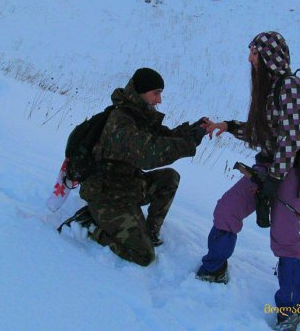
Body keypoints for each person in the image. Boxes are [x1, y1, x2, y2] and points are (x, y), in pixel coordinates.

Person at [196, 32, 300, 330]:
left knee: (284, 237)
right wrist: (229, 126)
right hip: (265, 169)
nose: (249, 59)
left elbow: (292, 138)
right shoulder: (268, 89)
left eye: (254, 53)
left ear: (269, 55)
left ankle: (291, 307)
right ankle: (214, 268)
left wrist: (274, 178)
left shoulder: (290, 88)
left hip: (289, 171)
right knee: (227, 209)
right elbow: (263, 133)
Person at [79, 67, 207, 266]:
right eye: (156, 93)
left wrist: (191, 133)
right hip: (107, 195)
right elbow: (149, 155)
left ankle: (151, 231)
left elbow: (162, 137)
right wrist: (188, 145)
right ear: (140, 92)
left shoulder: (139, 113)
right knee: (144, 255)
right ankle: (91, 226)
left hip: (128, 186)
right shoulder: (121, 121)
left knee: (169, 177)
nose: (159, 100)